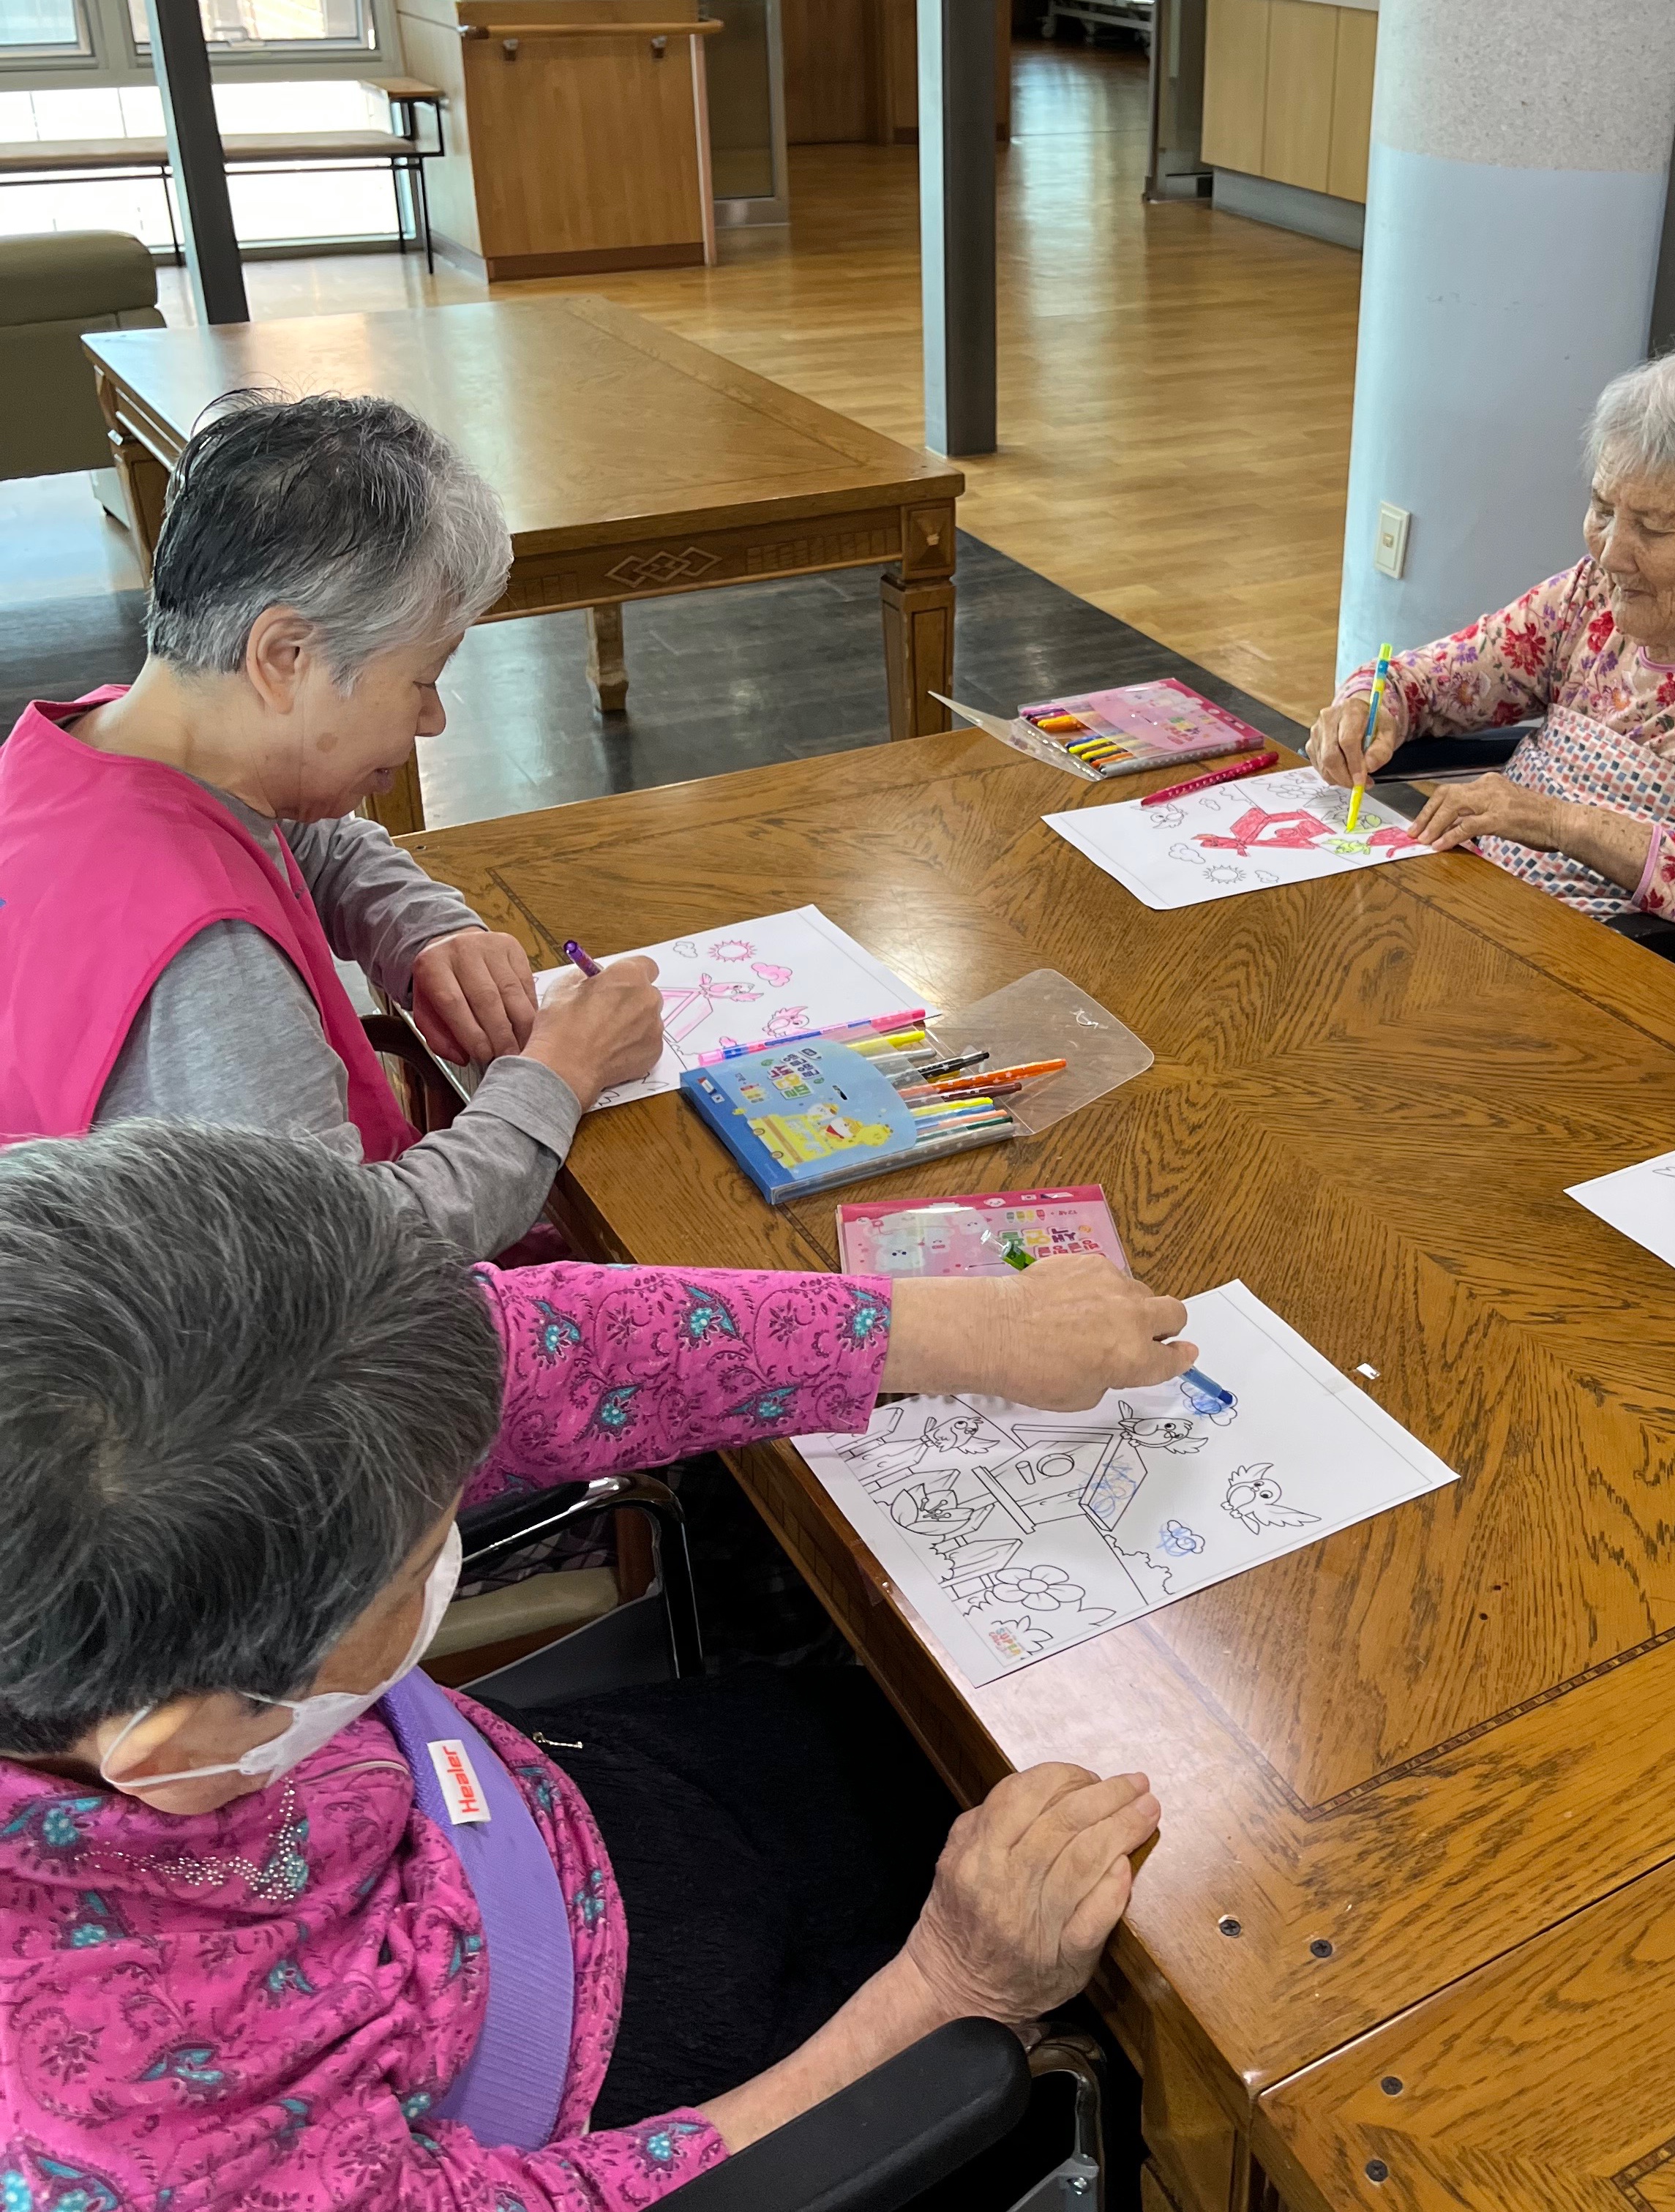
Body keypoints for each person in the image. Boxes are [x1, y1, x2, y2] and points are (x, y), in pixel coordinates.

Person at [0, 1121, 1196, 2210]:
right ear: (189, 1744)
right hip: (641, 2101)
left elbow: (527, 1352)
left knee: (924, 1737)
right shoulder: (120, 2126)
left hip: (528, 1808)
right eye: (417, 1559)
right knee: (1168, 2012)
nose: (443, 1533)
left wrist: (971, 1330)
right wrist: (948, 1995)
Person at [0, 393, 665, 1262]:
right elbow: (352, 1258)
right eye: (422, 679)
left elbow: (296, 838)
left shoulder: (102, 746)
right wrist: (560, 1073)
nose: (433, 719)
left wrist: (425, 929)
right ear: (285, 658)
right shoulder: (209, 973)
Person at [1306, 347, 1675, 942]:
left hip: (1602, 958)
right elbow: (1424, 680)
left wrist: (1564, 824)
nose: (1610, 553)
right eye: (1602, 510)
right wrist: (1366, 707)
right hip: (1474, 905)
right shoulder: (1589, 595)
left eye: (1653, 527)